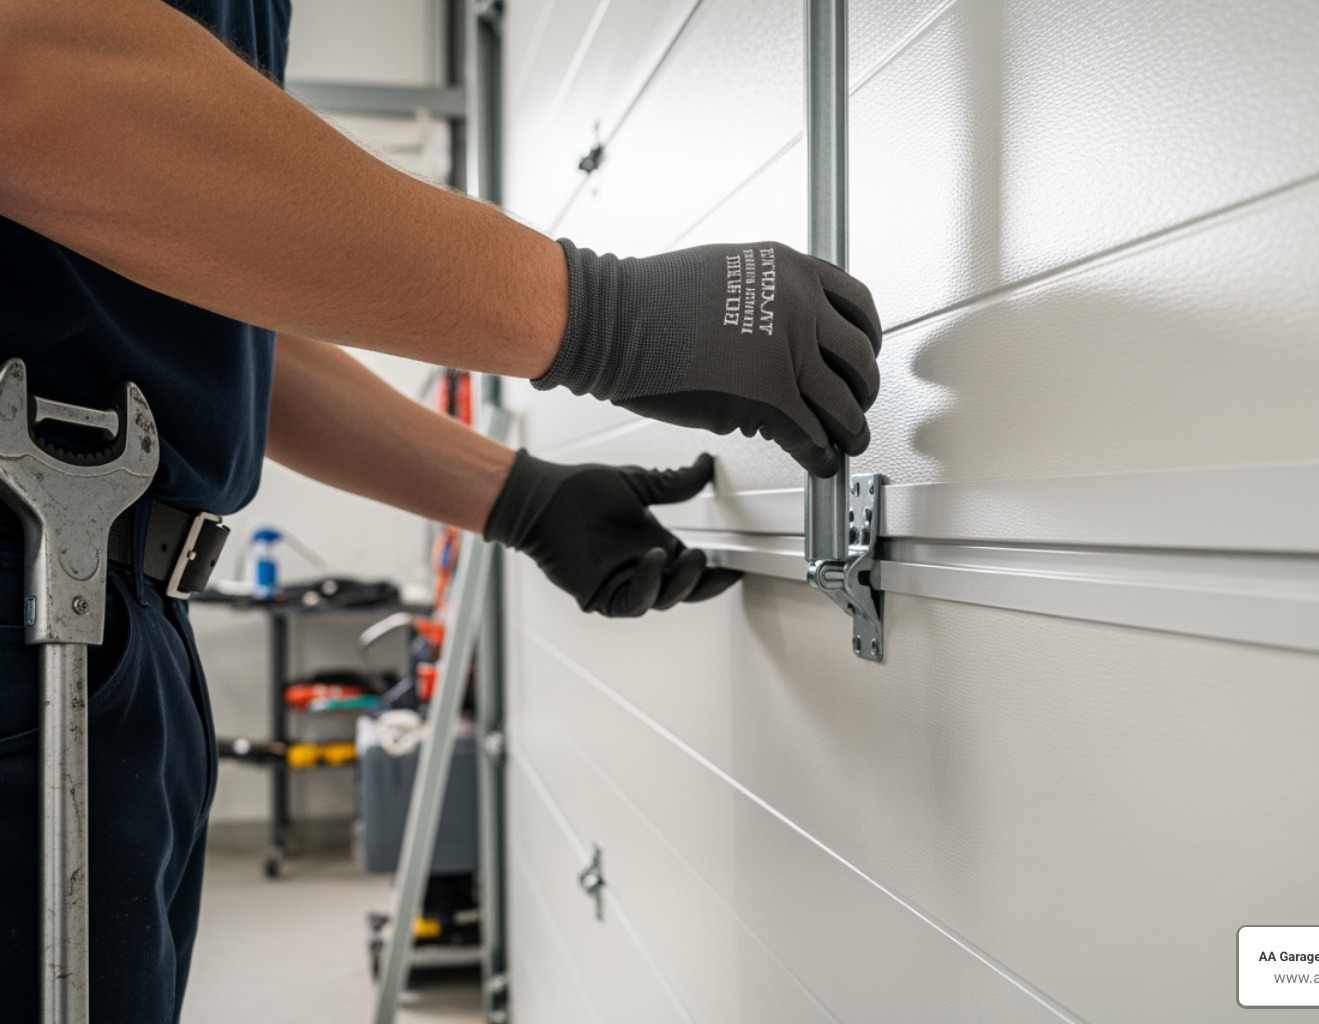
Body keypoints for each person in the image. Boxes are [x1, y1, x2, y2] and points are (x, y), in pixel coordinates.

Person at [0, 0, 882, 1020]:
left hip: (101, 626)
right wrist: (604, 318)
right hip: (35, 609)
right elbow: (40, 82)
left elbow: (193, 321)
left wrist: (521, 497)